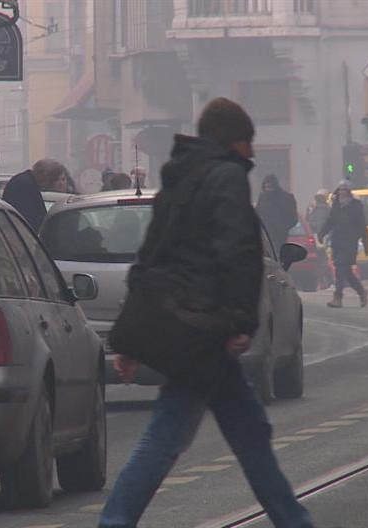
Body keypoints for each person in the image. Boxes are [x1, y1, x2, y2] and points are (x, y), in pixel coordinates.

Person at [99, 98, 314, 528]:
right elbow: (239, 252)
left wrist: (127, 338)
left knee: (245, 431)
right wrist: (239, 321)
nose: (252, 153)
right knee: (172, 433)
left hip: (186, 328)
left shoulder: (180, 179)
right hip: (206, 331)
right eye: (247, 142)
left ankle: (294, 521)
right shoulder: (227, 178)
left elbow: (150, 258)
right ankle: (115, 521)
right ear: (232, 143)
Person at [318, 180, 368, 308]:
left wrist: (366, 242)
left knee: (340, 268)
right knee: (346, 272)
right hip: (337, 241)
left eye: (344, 190)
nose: (342, 192)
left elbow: (362, 225)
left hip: (349, 242)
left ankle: (338, 297)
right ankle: (361, 291)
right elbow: (330, 221)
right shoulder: (335, 205)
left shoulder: (356, 206)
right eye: (340, 189)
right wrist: (322, 233)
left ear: (348, 192)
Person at [2, 158, 67, 231]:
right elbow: (30, 220)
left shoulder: (27, 183)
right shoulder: (25, 186)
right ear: (41, 174)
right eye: (50, 178)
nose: (49, 183)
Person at [256, 173, 298, 255]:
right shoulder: (262, 198)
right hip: (266, 234)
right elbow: (258, 213)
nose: (268, 190)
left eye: (270, 187)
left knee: (278, 254)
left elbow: (293, 216)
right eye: (266, 187)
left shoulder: (286, 198)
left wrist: (284, 227)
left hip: (280, 234)